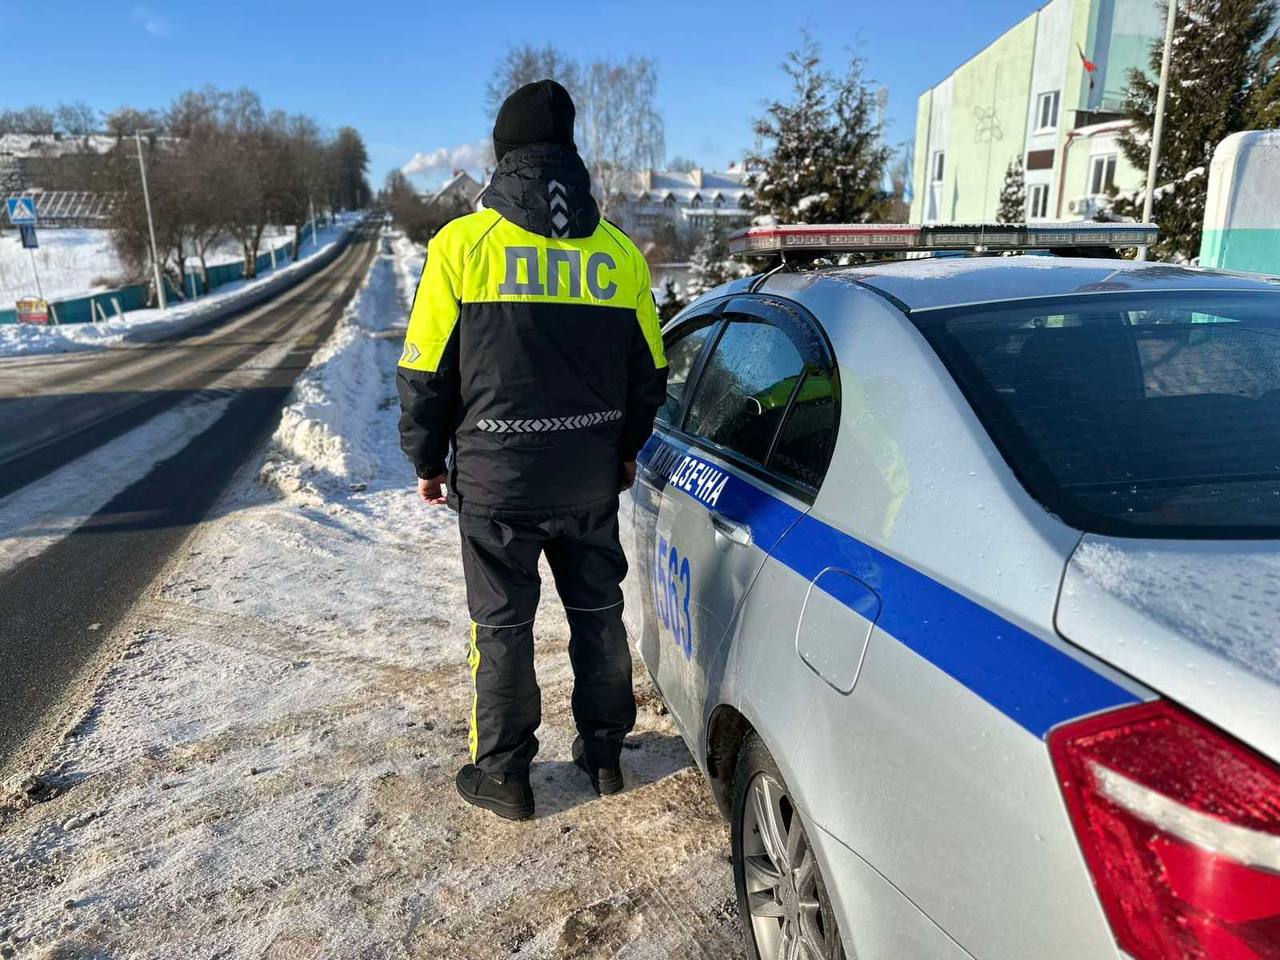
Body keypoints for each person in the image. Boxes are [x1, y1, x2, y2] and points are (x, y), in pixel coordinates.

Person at [396, 79, 668, 821]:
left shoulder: (460, 246)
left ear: (502, 156)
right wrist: (625, 451)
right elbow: (650, 374)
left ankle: (505, 776)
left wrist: (427, 460)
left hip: (497, 484)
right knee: (598, 611)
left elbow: (424, 371)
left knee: (502, 628)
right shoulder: (620, 253)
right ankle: (605, 754)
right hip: (589, 479)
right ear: (569, 154)